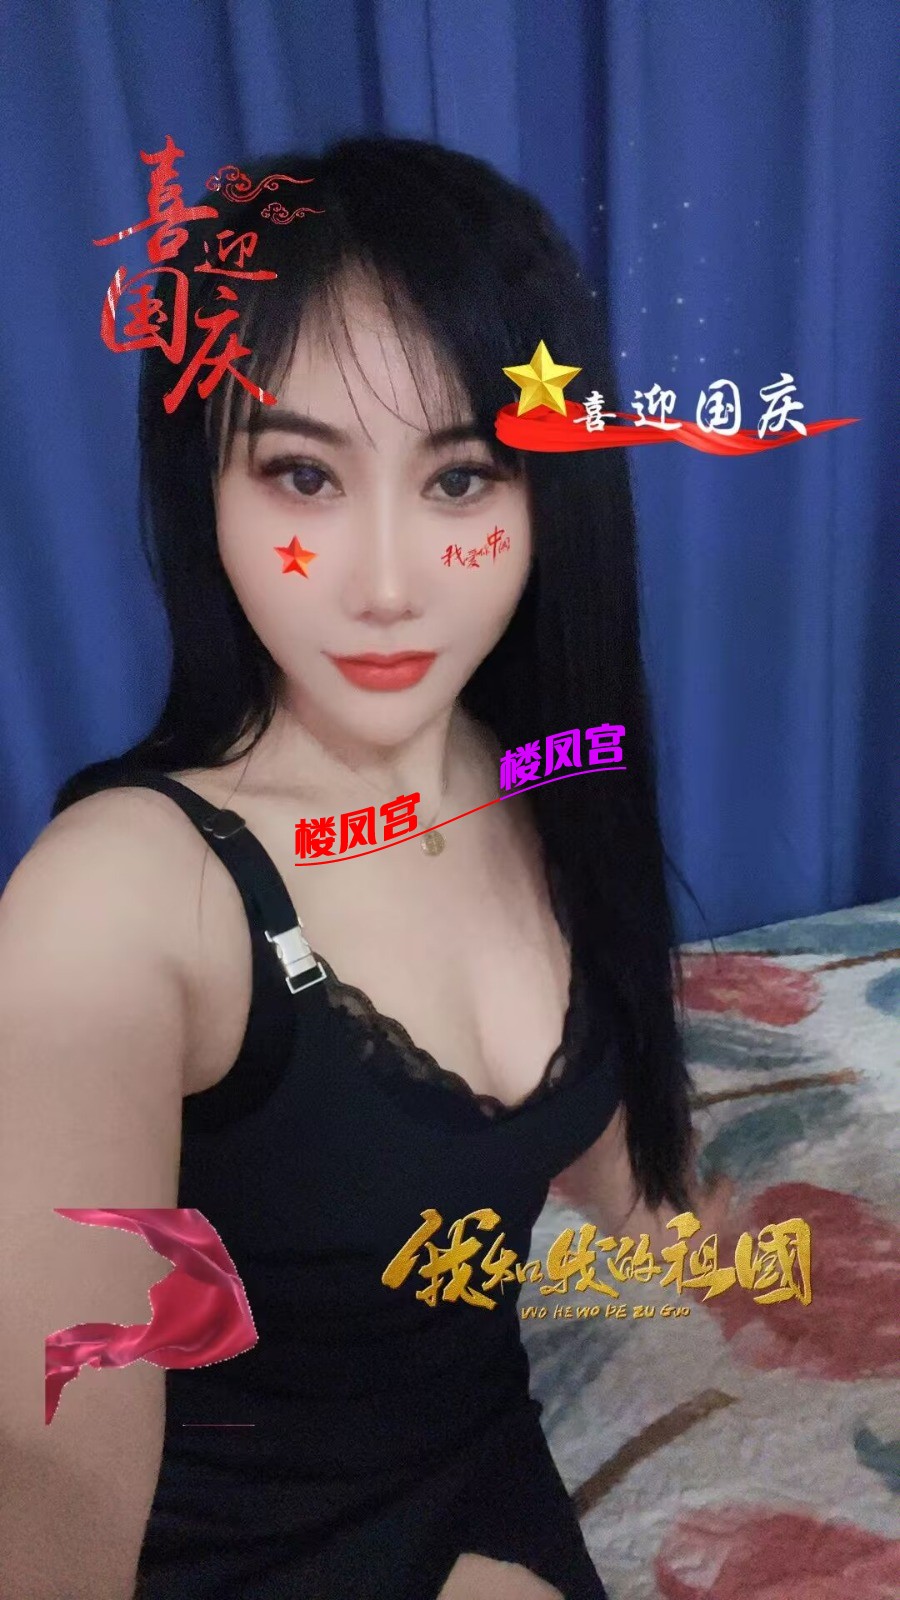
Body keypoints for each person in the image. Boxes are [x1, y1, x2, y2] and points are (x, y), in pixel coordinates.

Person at [0, 135, 734, 1600]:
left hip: (483, 1470)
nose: (388, 583)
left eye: (461, 476)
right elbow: (50, 1500)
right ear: (206, 492)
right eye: (302, 475)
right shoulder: (118, 909)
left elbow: (632, 1194)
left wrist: (775, 1275)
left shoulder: (548, 774)